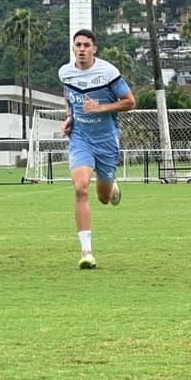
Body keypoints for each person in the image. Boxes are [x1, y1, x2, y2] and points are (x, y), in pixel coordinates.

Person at [59, 29, 136, 269]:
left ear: (94, 49)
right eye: (78, 45)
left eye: (86, 45)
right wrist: (70, 117)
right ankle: (86, 252)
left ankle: (112, 187)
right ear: (73, 48)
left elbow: (130, 102)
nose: (81, 49)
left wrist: (100, 108)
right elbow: (70, 99)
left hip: (106, 141)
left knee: (103, 197)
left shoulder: (108, 72)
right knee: (80, 188)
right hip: (81, 138)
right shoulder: (65, 73)